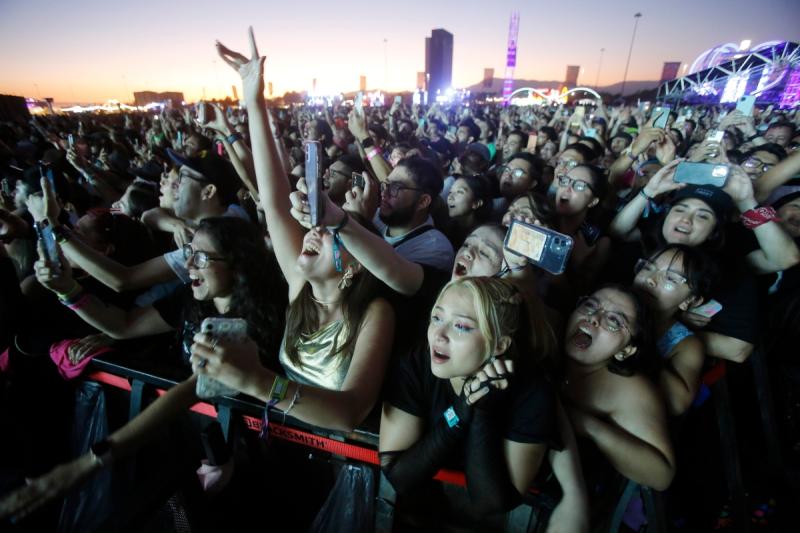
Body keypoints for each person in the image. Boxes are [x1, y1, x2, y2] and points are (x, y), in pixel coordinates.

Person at [379, 277, 557, 527]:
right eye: (437, 318)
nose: (439, 335)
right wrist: (460, 413)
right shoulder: (416, 363)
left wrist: (482, 411)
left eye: (461, 326)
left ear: (499, 345)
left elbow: (491, 504)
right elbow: (398, 476)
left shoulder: (532, 391)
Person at [562, 285, 676, 491]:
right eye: (590, 305)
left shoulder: (630, 390)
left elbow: (662, 475)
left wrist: (587, 425)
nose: (594, 318)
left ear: (626, 350)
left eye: (614, 321)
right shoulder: (549, 336)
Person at [632, 244, 715, 415]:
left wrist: (637, 343)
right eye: (648, 268)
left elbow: (677, 404)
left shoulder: (685, 344)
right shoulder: (608, 298)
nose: (650, 279)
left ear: (691, 300)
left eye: (670, 278)